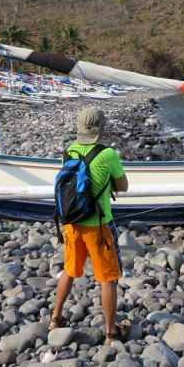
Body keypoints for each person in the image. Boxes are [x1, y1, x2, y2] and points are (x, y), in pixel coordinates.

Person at [50, 108, 130, 344]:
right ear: (101, 129)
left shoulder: (68, 152)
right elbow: (123, 186)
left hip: (71, 223)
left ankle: (55, 318)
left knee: (70, 270)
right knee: (107, 278)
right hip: (98, 224)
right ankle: (111, 333)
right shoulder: (107, 154)